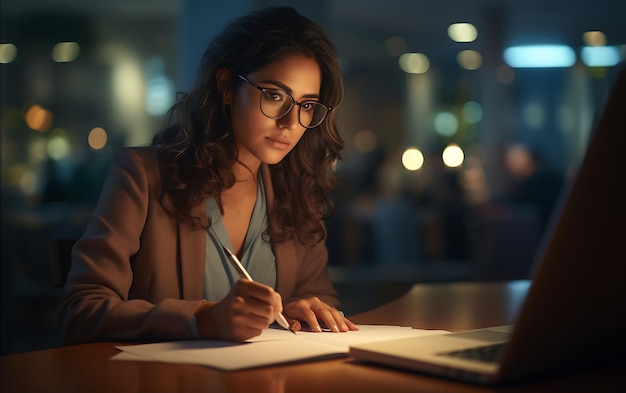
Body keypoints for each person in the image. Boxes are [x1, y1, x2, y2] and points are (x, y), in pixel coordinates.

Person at [57, 6, 358, 345]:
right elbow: (80, 310)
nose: (290, 122)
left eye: (306, 105)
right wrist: (200, 319)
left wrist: (309, 313)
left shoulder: (297, 194)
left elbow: (322, 302)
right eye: (275, 95)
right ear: (227, 87)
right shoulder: (143, 176)